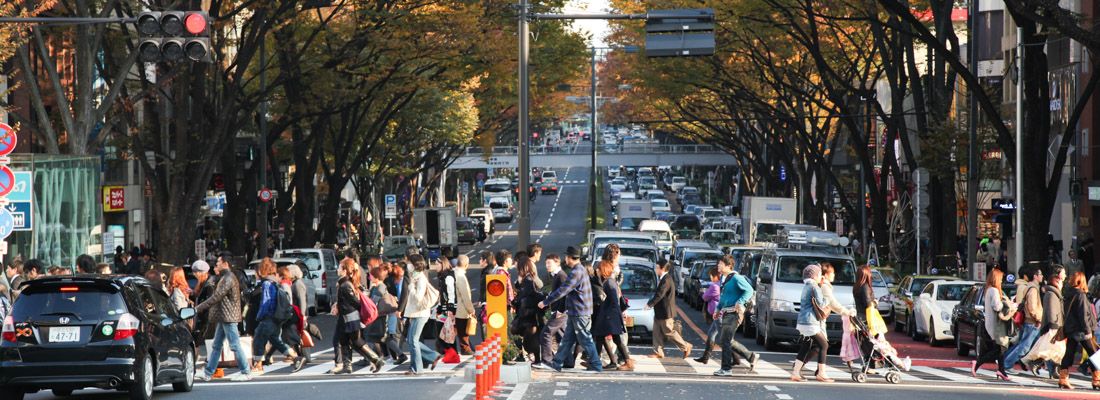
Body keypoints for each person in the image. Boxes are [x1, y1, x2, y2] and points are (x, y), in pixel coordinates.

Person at [536, 245, 602, 373]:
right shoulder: (579, 270)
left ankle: (596, 364)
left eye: (566, 256)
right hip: (576, 311)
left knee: (585, 338)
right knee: (567, 339)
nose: (565, 259)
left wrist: (545, 302)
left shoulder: (576, 272)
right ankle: (556, 363)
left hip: (580, 311)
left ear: (571, 258)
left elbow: (563, 290)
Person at [196, 252, 252, 381]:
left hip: (228, 317)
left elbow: (217, 296)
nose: (216, 264)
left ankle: (245, 371)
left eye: (218, 262)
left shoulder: (228, 278)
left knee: (234, 345)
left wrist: (197, 308)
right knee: (217, 346)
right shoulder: (224, 277)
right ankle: (208, 373)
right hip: (224, 316)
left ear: (225, 264)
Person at [331, 258, 384, 374]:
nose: (338, 269)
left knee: (355, 341)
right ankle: (348, 366)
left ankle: (375, 360)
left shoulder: (345, 285)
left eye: (340, 267)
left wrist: (340, 307)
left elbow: (356, 302)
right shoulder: (344, 283)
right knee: (346, 341)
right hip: (347, 318)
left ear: (345, 270)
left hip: (349, 318)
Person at [251, 258, 301, 374]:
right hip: (277, 318)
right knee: (276, 340)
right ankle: (296, 357)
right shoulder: (274, 282)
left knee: (258, 338)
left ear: (262, 271)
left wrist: (259, 316)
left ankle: (257, 365)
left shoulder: (267, 284)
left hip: (268, 318)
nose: (256, 273)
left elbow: (266, 303)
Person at [712, 255, 759, 376]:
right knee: (726, 340)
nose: (718, 265)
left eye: (721, 264)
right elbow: (724, 297)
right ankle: (751, 356)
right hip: (727, 312)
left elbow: (749, 290)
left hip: (735, 313)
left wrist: (740, 301)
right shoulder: (725, 278)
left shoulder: (736, 278)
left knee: (725, 340)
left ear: (729, 266)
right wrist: (718, 309)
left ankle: (726, 369)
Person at [971, 268, 1016, 381]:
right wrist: (1007, 304)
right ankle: (978, 362)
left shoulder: (988, 289)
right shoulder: (994, 291)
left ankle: (1001, 371)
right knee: (1000, 349)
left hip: (991, 323)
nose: (1001, 281)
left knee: (999, 348)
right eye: (1000, 279)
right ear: (996, 278)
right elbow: (997, 306)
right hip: (996, 325)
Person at [1059, 271, 1100, 390]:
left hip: (1071, 328)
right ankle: (1096, 379)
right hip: (1081, 329)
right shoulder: (1081, 294)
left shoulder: (1068, 294)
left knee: (1069, 353)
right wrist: (1087, 330)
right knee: (1094, 353)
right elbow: (1083, 314)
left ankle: (1063, 378)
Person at [1023, 265, 1065, 379]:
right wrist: (1053, 325)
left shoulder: (1055, 291)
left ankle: (1052, 370)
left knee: (1056, 349)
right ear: (1057, 277)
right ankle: (1035, 362)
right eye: (1063, 273)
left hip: (1056, 324)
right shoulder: (1050, 293)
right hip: (1053, 325)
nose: (1065, 276)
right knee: (1048, 348)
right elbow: (1050, 310)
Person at [791, 264, 831, 382]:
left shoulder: (806, 286)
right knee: (824, 345)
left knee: (806, 346)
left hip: (802, 321)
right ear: (815, 276)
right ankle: (821, 373)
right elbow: (822, 304)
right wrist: (828, 296)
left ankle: (795, 373)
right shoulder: (814, 287)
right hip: (810, 322)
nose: (820, 277)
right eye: (819, 274)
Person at [403, 254, 443, 375]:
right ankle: (432, 356)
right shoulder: (415, 277)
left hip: (420, 313)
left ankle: (417, 368)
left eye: (409, 263)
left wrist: (411, 288)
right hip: (415, 313)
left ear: (414, 265)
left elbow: (418, 298)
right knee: (411, 340)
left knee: (413, 340)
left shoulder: (420, 278)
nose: (407, 265)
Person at [592, 260, 634, 371]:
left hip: (610, 316)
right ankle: (601, 362)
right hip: (609, 315)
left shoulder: (609, 283)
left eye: (599, 269)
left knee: (615, 340)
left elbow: (615, 302)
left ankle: (627, 362)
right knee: (602, 337)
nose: (597, 270)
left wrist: (610, 316)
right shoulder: (609, 282)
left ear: (604, 270)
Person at [645, 259, 692, 359]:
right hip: (660, 311)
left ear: (662, 268)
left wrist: (650, 304)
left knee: (669, 332)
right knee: (656, 332)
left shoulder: (666, 279)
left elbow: (660, 294)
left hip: (665, 312)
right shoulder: (663, 278)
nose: (656, 269)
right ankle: (658, 352)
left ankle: (685, 346)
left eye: (657, 267)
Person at [1004, 265, 1044, 374]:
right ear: (1035, 276)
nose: (1042, 276)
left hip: (1030, 321)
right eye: (1040, 274)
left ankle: (1008, 363)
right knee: (1024, 347)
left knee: (1027, 345)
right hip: (1032, 322)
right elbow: (1032, 307)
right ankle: (1007, 364)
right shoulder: (1033, 289)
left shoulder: (1030, 287)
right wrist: (1038, 318)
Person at [513, 253, 545, 363]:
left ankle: (537, 359)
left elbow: (529, 296)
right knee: (529, 338)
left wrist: (517, 301)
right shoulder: (527, 279)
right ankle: (536, 359)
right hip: (529, 315)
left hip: (529, 315)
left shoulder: (528, 281)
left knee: (528, 339)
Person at [539, 254, 570, 368]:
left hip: (560, 312)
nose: (547, 266)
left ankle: (547, 360)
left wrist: (560, 311)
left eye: (549, 263)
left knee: (546, 333)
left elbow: (564, 295)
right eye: (546, 263)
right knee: (562, 337)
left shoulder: (561, 276)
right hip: (560, 311)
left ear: (557, 263)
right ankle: (569, 361)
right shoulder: (556, 276)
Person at [694, 267, 722, 364]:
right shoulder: (719, 285)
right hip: (717, 314)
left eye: (711, 275)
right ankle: (705, 357)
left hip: (718, 314)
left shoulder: (714, 286)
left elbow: (705, 297)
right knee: (711, 334)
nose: (710, 277)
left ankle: (747, 356)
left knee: (725, 338)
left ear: (715, 276)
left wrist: (706, 294)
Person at [454, 255, 476, 355]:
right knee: (463, 331)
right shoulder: (461, 276)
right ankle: (466, 349)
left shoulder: (453, 273)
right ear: (466, 265)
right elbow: (465, 296)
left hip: (453, 307)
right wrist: (471, 309)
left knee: (457, 330)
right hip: (461, 309)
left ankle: (466, 348)